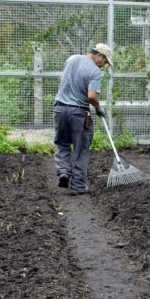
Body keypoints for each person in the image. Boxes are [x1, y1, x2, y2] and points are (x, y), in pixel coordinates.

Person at [53, 43, 112, 195]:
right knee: (81, 148)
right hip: (78, 112)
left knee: (62, 143)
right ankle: (78, 186)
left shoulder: (72, 59)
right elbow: (91, 96)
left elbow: (62, 78)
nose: (104, 65)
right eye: (105, 62)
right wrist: (99, 108)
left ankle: (64, 172)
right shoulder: (95, 71)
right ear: (99, 56)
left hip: (59, 108)